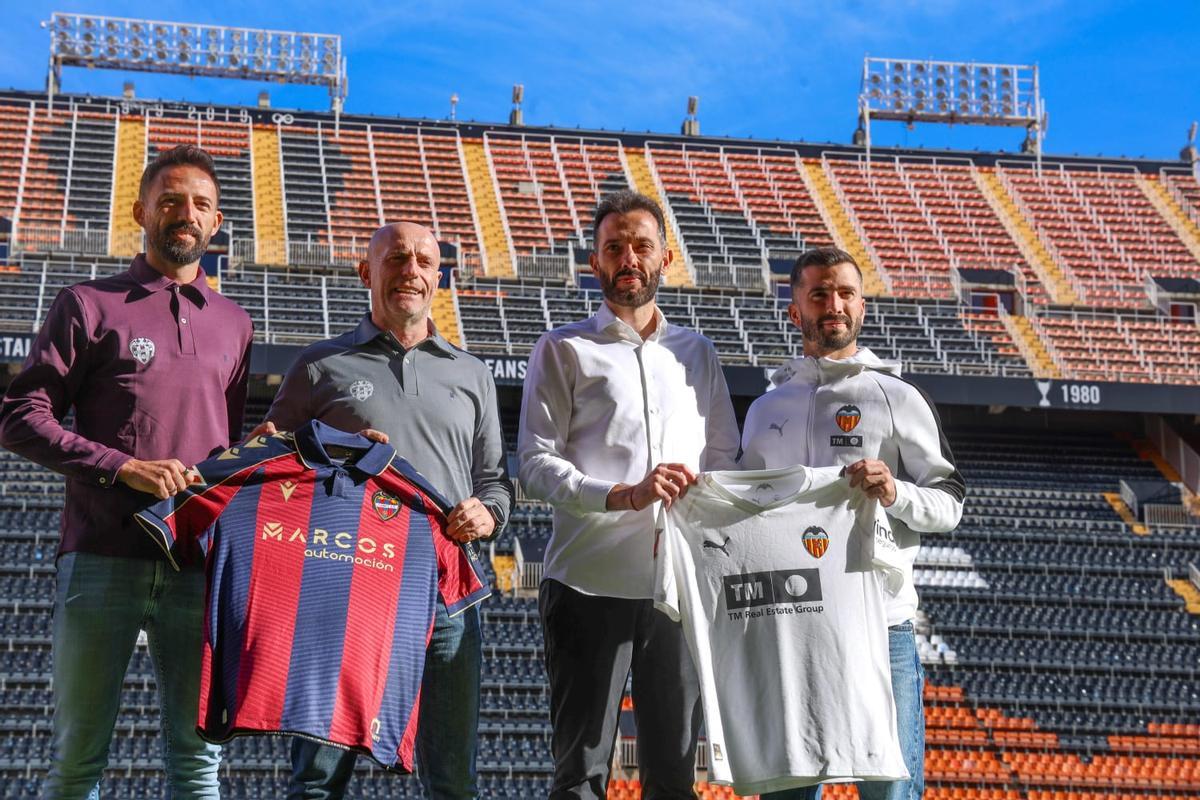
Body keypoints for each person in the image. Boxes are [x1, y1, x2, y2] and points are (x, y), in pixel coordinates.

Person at [0, 144, 252, 798]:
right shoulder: (88, 304)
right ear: (140, 209)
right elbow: (20, 416)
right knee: (78, 763)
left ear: (217, 220)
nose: (183, 213)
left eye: (199, 203)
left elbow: (224, 445)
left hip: (197, 564)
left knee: (197, 766)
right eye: (169, 199)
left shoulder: (235, 324)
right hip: (101, 556)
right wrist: (122, 467)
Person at [259, 221, 513, 800]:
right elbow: (268, 465)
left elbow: (496, 483)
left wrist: (488, 515)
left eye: (426, 261)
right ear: (366, 272)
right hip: (343, 590)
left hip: (446, 595)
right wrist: (322, 448)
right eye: (397, 259)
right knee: (318, 780)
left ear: (439, 276)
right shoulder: (320, 365)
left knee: (452, 781)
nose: (412, 271)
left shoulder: (472, 373)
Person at [517, 189, 741, 799]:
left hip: (678, 589)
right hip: (588, 581)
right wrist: (622, 495)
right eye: (614, 247)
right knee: (581, 775)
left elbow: (724, 460)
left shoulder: (698, 353)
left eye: (641, 246)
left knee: (672, 777)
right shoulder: (563, 348)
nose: (629, 258)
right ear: (595, 262)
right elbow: (534, 463)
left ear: (665, 257)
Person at [739, 246, 966, 800]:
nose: (832, 304)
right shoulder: (765, 409)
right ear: (795, 311)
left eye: (844, 292)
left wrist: (894, 491)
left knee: (889, 793)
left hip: (879, 627)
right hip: (789, 623)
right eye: (818, 293)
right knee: (785, 791)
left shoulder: (897, 396)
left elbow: (950, 501)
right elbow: (741, 509)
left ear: (862, 307)